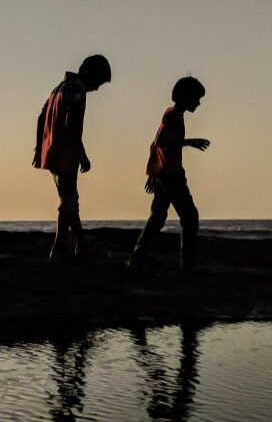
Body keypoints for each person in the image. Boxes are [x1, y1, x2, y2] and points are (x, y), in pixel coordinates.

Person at [33, 55, 111, 261]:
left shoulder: (58, 88)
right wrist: (82, 154)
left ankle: (79, 245)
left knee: (69, 201)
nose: (97, 88)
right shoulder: (77, 89)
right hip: (65, 153)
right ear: (92, 74)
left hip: (51, 151)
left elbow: (41, 117)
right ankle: (59, 248)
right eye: (99, 82)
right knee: (68, 202)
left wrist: (38, 149)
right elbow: (72, 124)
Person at [127, 76, 210, 271]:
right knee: (189, 217)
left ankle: (137, 257)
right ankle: (187, 264)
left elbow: (154, 143)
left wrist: (152, 173)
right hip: (170, 175)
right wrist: (191, 142)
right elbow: (161, 142)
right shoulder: (173, 116)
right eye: (195, 99)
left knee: (157, 217)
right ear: (184, 97)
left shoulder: (171, 114)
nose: (198, 103)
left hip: (162, 173)